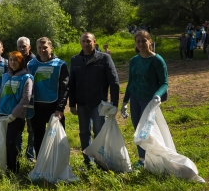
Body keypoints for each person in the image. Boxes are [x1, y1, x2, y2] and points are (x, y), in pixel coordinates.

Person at [68, 33, 120, 167]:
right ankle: (88, 161)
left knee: (99, 132)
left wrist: (114, 104)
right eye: (83, 41)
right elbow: (72, 83)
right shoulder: (75, 60)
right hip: (82, 104)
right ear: (80, 43)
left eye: (88, 41)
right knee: (84, 133)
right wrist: (72, 103)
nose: (86, 43)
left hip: (99, 103)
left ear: (94, 42)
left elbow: (114, 82)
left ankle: (100, 161)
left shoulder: (104, 58)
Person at [121, 30, 168, 167]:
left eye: (144, 41)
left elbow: (164, 83)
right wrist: (125, 102)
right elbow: (131, 82)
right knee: (138, 129)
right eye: (138, 41)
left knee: (148, 130)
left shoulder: (157, 60)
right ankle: (142, 159)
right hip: (135, 99)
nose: (141, 44)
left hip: (149, 101)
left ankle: (155, 157)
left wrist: (157, 95)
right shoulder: (134, 61)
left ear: (150, 41)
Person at [27, 37, 69, 158]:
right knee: (38, 137)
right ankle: (41, 163)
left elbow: (65, 88)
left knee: (57, 137)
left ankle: (58, 162)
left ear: (51, 48)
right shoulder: (31, 64)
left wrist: (60, 108)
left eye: (45, 47)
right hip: (36, 107)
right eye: (39, 48)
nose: (42, 50)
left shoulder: (60, 65)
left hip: (54, 107)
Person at [0, 51, 33, 174]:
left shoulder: (27, 78)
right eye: (11, 60)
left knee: (11, 142)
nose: (13, 62)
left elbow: (26, 99)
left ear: (21, 62)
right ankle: (6, 167)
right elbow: (1, 94)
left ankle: (14, 170)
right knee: (4, 143)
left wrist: (14, 114)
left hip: (15, 117)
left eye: (15, 60)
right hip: (2, 115)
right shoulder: (5, 76)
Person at [16, 36, 36, 161]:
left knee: (31, 129)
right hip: (18, 100)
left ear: (29, 47)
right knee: (18, 128)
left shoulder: (35, 61)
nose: (22, 48)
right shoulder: (15, 60)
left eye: (24, 46)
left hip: (32, 100)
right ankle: (17, 154)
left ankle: (30, 155)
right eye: (20, 46)